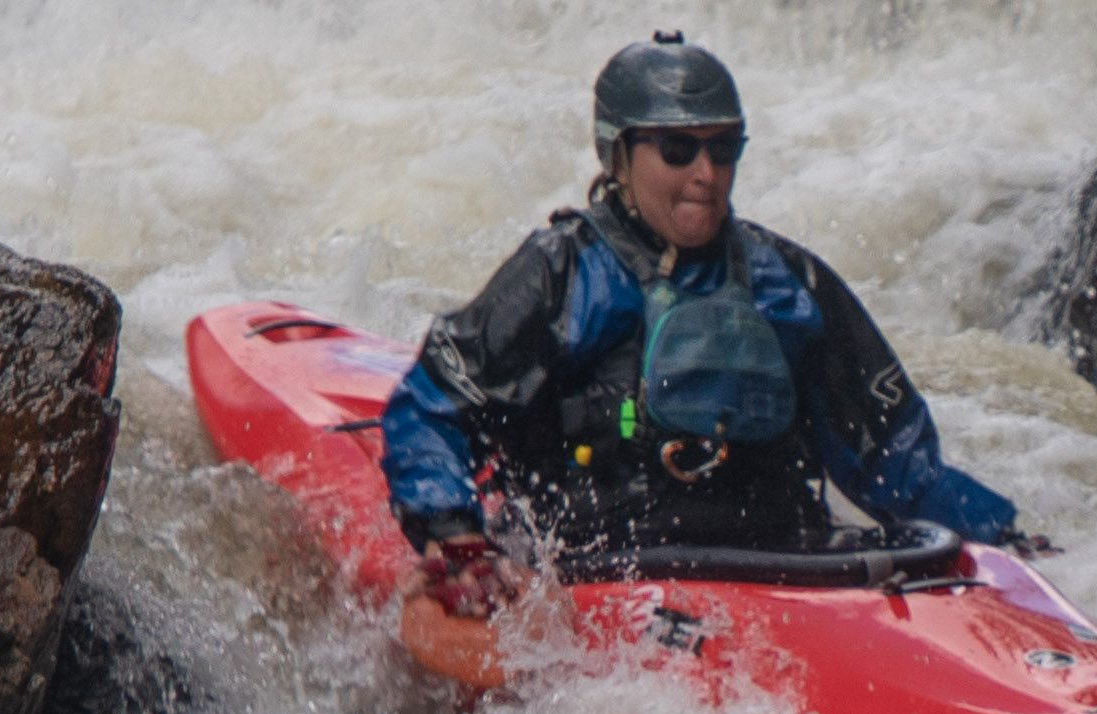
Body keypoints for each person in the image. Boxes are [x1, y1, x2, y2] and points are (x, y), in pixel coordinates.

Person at [380, 35, 1040, 610]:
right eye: (678, 149)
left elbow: (895, 460)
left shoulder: (788, 283)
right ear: (618, 157)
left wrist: (1012, 546)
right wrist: (455, 536)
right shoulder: (563, 275)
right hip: (598, 575)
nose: (706, 173)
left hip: (782, 577)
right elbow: (433, 408)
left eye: (724, 148)